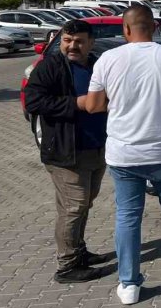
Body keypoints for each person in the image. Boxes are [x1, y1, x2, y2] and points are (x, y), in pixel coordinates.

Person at [86, 5, 161, 305]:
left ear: (125, 29)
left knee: (127, 217)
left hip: (124, 153)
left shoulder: (108, 59)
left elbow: (93, 105)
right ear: (154, 26)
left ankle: (129, 285)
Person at [24, 20, 112, 283]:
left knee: (85, 204)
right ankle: (67, 266)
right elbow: (34, 101)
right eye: (67, 40)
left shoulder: (98, 64)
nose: (72, 46)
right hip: (66, 151)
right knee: (73, 207)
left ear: (91, 43)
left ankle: (78, 251)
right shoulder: (51, 66)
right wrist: (77, 103)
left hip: (96, 147)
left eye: (79, 41)